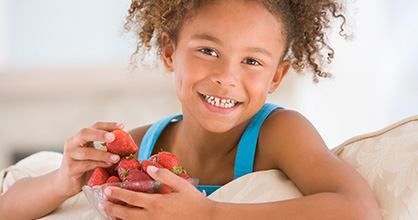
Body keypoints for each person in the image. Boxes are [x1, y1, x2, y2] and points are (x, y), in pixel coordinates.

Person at [0, 0, 382, 219]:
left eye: (252, 61)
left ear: (276, 78)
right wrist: (61, 180)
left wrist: (207, 214)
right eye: (208, 51)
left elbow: (358, 210)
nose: (226, 77)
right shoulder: (144, 146)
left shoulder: (279, 132)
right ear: (169, 53)